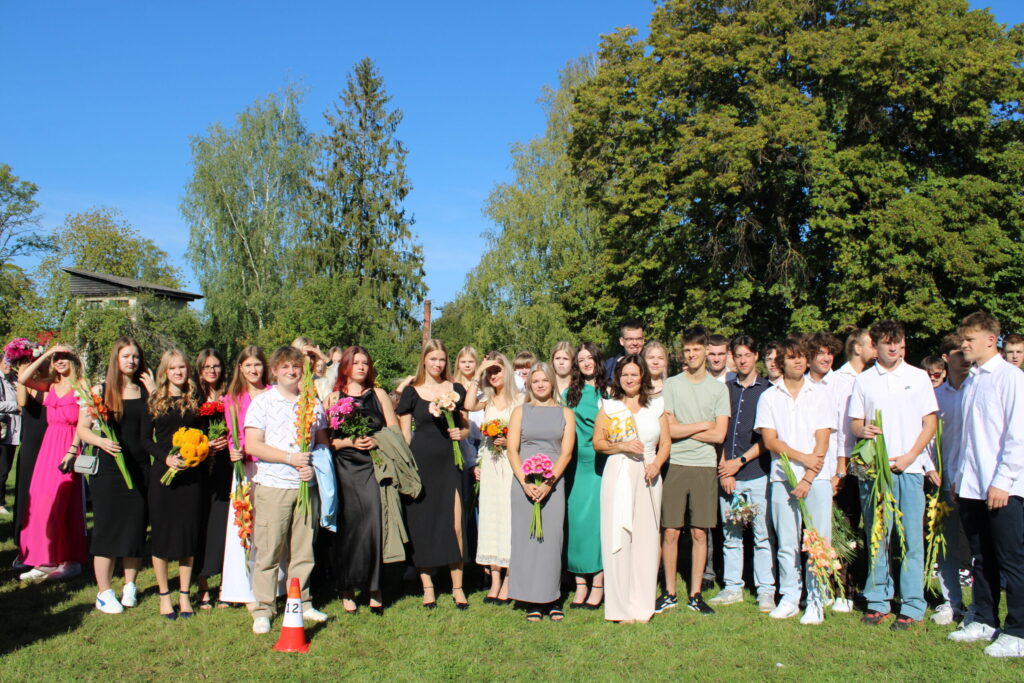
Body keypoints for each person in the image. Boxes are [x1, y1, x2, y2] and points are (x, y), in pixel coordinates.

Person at [850, 320, 938, 630]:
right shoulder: (863, 381)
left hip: (909, 469)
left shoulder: (917, 377)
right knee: (878, 537)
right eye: (886, 342)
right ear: (874, 346)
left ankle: (912, 604)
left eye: (897, 341)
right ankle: (878, 600)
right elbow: (855, 423)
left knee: (912, 540)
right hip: (876, 472)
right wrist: (862, 429)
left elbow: (929, 424)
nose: (892, 347)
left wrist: (912, 457)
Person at [949, 312, 1024, 657]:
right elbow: (966, 437)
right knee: (981, 557)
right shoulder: (973, 380)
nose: (964, 346)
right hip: (972, 485)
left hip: (1002, 487)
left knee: (1012, 559)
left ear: (990, 340)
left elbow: (1017, 435)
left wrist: (1003, 480)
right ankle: (983, 618)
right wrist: (957, 476)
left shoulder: (1010, 378)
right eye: (962, 340)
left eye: (969, 340)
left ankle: (1019, 632)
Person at [245, 345, 331, 634]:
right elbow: (253, 445)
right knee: (269, 549)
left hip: (305, 485)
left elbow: (322, 442)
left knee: (303, 549)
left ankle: (302, 602)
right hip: (273, 484)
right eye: (285, 367)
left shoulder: (312, 403)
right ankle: (264, 608)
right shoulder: (263, 402)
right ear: (275, 371)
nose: (292, 372)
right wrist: (288, 458)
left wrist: (312, 465)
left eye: (296, 367)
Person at [755, 337, 835, 624]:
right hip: (782, 479)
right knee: (787, 542)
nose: (799, 361)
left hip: (817, 479)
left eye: (802, 356)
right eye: (792, 357)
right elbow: (770, 440)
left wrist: (809, 476)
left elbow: (823, 440)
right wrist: (801, 460)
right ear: (781, 363)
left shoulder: (820, 394)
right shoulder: (769, 397)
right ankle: (790, 596)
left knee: (817, 541)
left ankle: (816, 600)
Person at [77, 337, 155, 614]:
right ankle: (104, 591)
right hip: (109, 469)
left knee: (136, 528)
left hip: (140, 466)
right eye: (126, 356)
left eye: (135, 356)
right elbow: (82, 429)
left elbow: (157, 423)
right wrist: (101, 442)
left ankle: (130, 585)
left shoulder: (145, 391)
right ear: (116, 359)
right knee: (107, 529)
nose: (132, 361)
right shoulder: (102, 390)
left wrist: (155, 392)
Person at [658, 326, 730, 616]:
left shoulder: (718, 389)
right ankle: (670, 593)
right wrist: (702, 424)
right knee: (671, 531)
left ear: (704, 351)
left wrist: (686, 430)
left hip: (704, 466)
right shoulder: (672, 385)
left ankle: (696, 594)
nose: (691, 354)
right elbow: (669, 430)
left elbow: (720, 435)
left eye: (696, 350)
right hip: (676, 463)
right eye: (687, 350)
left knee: (700, 532)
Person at [593, 354, 669, 623]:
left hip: (648, 476)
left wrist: (657, 464)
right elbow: (598, 443)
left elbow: (666, 444)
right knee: (618, 537)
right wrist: (622, 446)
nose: (629, 379)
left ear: (642, 377)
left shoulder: (656, 406)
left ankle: (642, 606)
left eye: (634, 374)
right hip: (619, 472)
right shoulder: (609, 406)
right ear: (618, 378)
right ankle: (620, 608)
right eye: (624, 374)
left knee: (646, 540)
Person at [397, 340, 469, 609]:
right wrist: (405, 468)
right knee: (422, 525)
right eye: (433, 359)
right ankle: (428, 588)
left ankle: (458, 587)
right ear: (424, 360)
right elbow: (405, 435)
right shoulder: (412, 392)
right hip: (421, 464)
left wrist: (459, 433)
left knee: (455, 525)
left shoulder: (456, 389)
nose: (438, 364)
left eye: (442, 359)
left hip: (451, 462)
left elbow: (465, 429)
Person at [328, 346, 399, 615]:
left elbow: (394, 430)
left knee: (373, 521)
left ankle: (374, 587)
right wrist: (350, 441)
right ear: (344, 366)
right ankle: (346, 588)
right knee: (348, 526)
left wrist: (375, 440)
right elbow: (326, 442)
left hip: (374, 464)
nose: (361, 367)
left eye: (365, 363)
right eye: (356, 362)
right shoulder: (333, 398)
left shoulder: (378, 394)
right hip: (344, 467)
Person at [507, 362, 575, 622]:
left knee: (551, 540)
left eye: (545, 380)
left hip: (553, 484)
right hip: (524, 482)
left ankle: (552, 597)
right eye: (535, 381)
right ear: (529, 384)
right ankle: (531, 600)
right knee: (527, 541)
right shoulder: (520, 411)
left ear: (552, 383)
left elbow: (566, 452)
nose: (540, 385)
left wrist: (548, 483)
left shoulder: (565, 413)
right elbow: (512, 450)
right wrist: (525, 481)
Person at [710, 336, 774, 612]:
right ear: (733, 358)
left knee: (762, 536)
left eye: (748, 355)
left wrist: (741, 461)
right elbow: (720, 432)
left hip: (757, 472)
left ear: (756, 356)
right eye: (739, 355)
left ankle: (765, 591)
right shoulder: (725, 389)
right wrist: (725, 468)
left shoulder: (768, 391)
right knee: (731, 534)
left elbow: (769, 437)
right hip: (729, 475)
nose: (743, 360)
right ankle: (732, 587)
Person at [16, 344, 87, 581]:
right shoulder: (51, 386)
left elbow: (84, 422)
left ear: (74, 359)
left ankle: (70, 560)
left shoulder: (82, 386)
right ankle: (43, 558)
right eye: (57, 358)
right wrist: (47, 353)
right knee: (39, 500)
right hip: (48, 447)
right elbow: (24, 378)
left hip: (68, 446)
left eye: (64, 357)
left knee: (63, 503)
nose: (60, 361)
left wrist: (73, 449)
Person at [145, 350, 205, 620]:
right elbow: (143, 439)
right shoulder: (155, 400)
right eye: (173, 368)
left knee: (187, 534)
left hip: (191, 476)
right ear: (165, 372)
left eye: (182, 367)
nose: (179, 372)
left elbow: (202, 433)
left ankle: (184, 594)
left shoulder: (195, 400)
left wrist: (201, 452)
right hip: (163, 475)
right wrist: (165, 458)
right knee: (162, 535)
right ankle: (164, 595)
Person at [465, 352, 522, 604]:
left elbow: (525, 431)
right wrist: (478, 374)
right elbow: (467, 405)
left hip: (510, 463)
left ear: (507, 371)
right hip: (489, 460)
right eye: (490, 372)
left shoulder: (519, 399)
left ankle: (509, 579)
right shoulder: (486, 398)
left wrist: (509, 439)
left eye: (497, 370)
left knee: (509, 518)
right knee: (490, 516)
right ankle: (494, 579)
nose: (493, 375)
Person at [829, 326, 876, 607]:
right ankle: (841, 588)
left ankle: (869, 585)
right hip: (846, 462)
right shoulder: (839, 380)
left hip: (870, 463)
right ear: (857, 348)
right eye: (872, 344)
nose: (877, 348)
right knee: (845, 526)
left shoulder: (874, 378)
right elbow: (838, 428)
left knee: (872, 526)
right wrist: (840, 468)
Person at [219, 345, 270, 605]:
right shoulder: (233, 397)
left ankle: (268, 584)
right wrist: (233, 451)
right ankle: (241, 586)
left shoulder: (273, 393)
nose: (253, 369)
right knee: (243, 523)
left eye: (257, 364)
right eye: (248, 365)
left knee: (268, 526)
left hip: (270, 467)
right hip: (245, 468)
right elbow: (232, 433)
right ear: (240, 368)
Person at [563, 342, 608, 608]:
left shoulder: (610, 392)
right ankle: (580, 583)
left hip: (600, 464)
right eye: (581, 359)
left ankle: (599, 583)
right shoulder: (570, 393)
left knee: (597, 524)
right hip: (574, 465)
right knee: (576, 523)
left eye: (590, 357)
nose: (586, 362)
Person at [930, 333, 970, 626]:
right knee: (945, 545)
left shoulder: (979, 389)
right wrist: (931, 468)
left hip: (976, 481)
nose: (965, 357)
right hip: (945, 481)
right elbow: (928, 438)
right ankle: (950, 602)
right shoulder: (936, 397)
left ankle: (982, 606)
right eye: (958, 353)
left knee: (979, 547)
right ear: (946, 359)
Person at [194, 349, 232, 609]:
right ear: (199, 369)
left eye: (216, 366)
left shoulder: (229, 396)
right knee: (201, 525)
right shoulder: (193, 396)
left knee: (222, 526)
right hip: (198, 465)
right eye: (207, 366)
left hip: (225, 466)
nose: (212, 371)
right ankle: (202, 584)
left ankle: (225, 585)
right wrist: (205, 444)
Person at [7, 338, 46, 558]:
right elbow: (22, 402)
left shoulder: (50, 385)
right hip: (31, 445)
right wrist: (23, 372)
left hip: (49, 444)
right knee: (26, 493)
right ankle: (22, 543)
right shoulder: (27, 387)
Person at [454, 345, 482, 566]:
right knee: (464, 503)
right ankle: (465, 553)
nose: (467, 366)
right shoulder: (452, 387)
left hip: (483, 441)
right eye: (463, 362)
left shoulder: (482, 386)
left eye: (471, 362)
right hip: (461, 445)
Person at [0, 355, 19, 519]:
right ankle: (0, 503)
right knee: (3, 468)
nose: (9, 366)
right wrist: (17, 405)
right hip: (3, 430)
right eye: (6, 363)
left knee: (6, 467)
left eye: (11, 363)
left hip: (13, 431)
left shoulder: (14, 379)